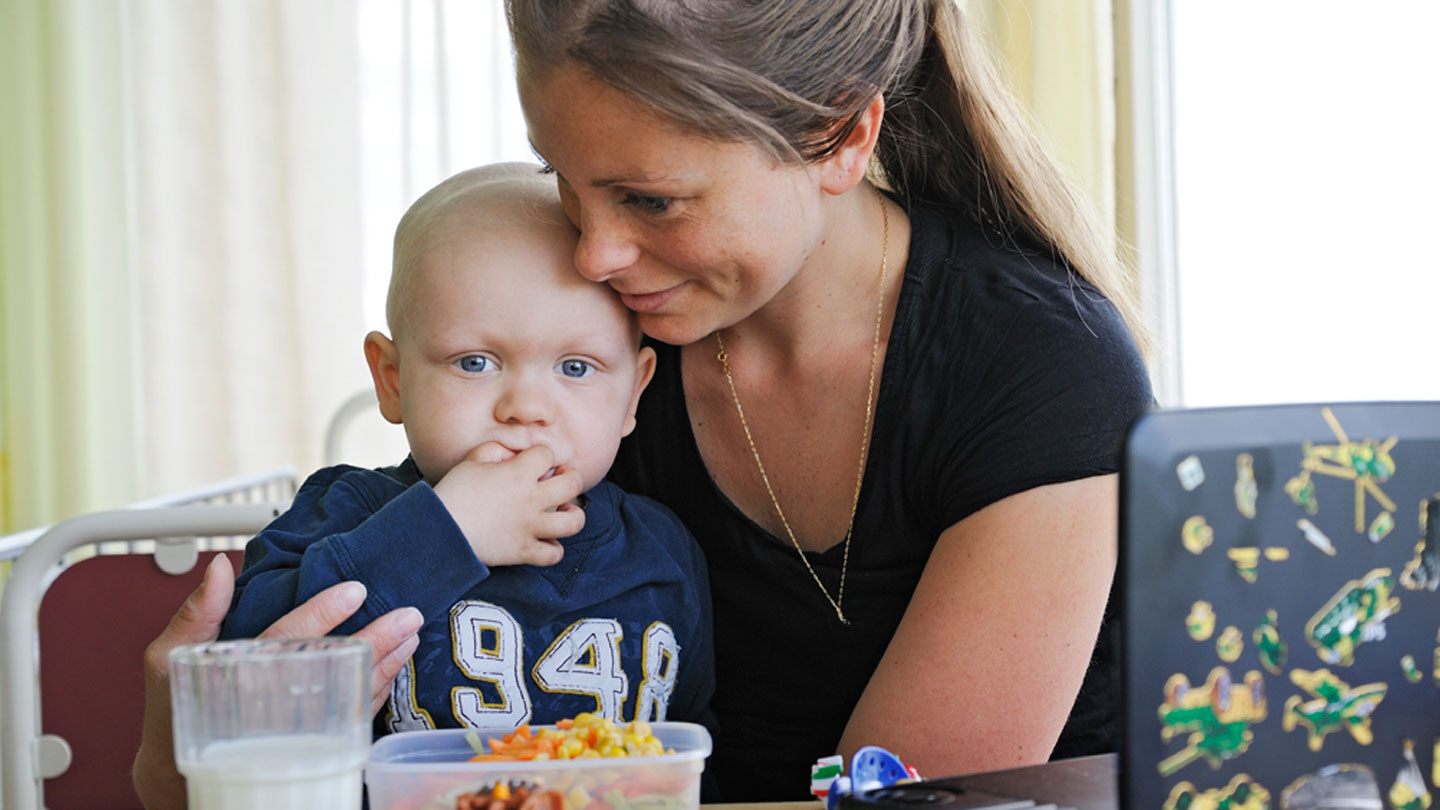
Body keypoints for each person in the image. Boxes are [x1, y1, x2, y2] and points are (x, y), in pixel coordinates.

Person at [136, 1, 1153, 804]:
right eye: (564, 181)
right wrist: (187, 738)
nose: (593, 255)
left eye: (651, 200)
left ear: (840, 137)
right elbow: (199, 770)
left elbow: (906, 799)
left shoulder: (1040, 369)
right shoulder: (591, 347)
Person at [221, 165, 712, 734]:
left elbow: (695, 742)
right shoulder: (344, 512)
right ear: (392, 380)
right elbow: (239, 681)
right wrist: (443, 530)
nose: (526, 407)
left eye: (576, 367)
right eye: (474, 362)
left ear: (633, 394)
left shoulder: (663, 550)